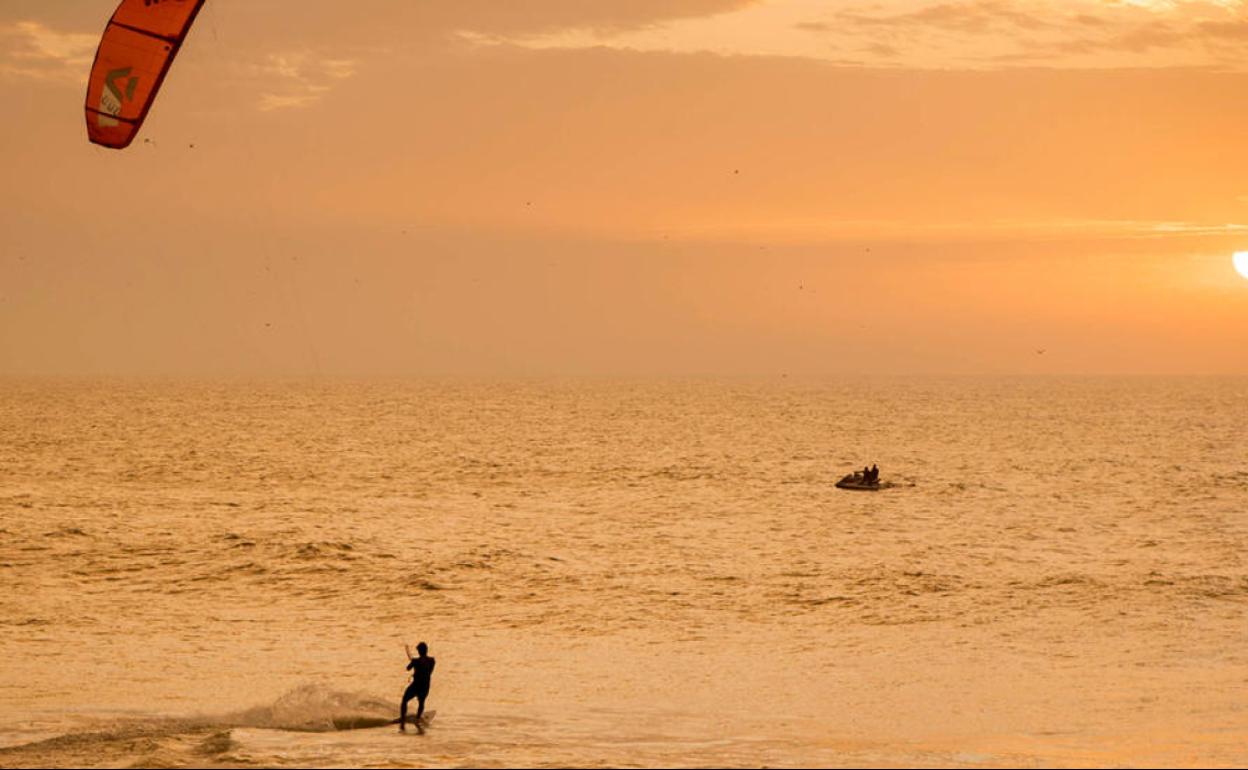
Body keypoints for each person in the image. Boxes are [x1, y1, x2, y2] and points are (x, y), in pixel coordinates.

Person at [400, 641, 436, 732]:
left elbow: (408, 668)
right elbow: (430, 671)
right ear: (426, 650)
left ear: (419, 651)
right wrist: (414, 662)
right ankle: (418, 717)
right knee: (421, 701)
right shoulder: (432, 660)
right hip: (425, 685)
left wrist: (413, 662)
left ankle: (402, 722)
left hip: (416, 685)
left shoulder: (416, 661)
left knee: (404, 700)